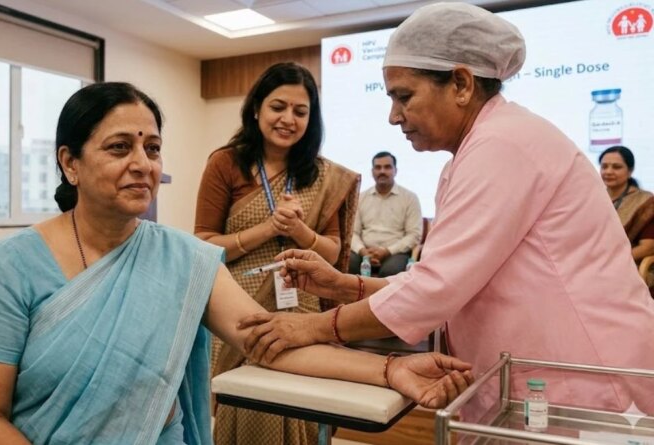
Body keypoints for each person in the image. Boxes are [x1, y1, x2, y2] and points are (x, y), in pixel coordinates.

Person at [0, 82, 473, 445]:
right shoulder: (14, 265)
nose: (142, 164)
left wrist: (391, 368)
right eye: (119, 148)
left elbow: (268, 341)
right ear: (70, 163)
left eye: (152, 148)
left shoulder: (181, 258)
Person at [239, 2, 654, 420]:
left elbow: (434, 288)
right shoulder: (472, 154)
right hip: (538, 375)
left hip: (584, 376)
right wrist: (344, 285)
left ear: (460, 84)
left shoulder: (503, 145)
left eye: (404, 96)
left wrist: (311, 327)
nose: (393, 116)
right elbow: (437, 278)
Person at [194, 62, 360, 444]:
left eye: (300, 111)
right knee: (247, 405)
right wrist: (267, 229)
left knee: (299, 402)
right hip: (237, 308)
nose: (288, 119)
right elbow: (204, 242)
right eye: (278, 107)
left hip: (301, 308)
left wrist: (299, 231)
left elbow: (333, 252)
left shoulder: (324, 175)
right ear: (257, 109)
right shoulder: (226, 163)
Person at [349, 151, 421, 277]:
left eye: (387, 167)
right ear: (372, 172)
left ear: (395, 171)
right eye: (378, 167)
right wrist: (363, 251)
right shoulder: (360, 198)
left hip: (394, 253)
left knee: (390, 271)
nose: (382, 171)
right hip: (364, 251)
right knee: (346, 262)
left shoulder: (410, 198)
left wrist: (387, 251)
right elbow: (352, 232)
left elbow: (414, 235)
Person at [599, 146, 654, 292]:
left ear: (630, 171)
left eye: (616, 167)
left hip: (628, 266)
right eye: (604, 166)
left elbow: (649, 247)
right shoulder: (594, 198)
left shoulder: (645, 202)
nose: (608, 171)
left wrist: (611, 260)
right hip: (595, 262)